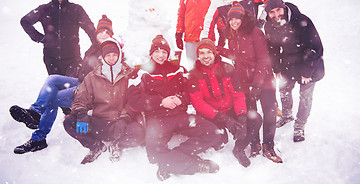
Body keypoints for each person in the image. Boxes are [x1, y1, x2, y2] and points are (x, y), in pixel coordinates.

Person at [10, 15, 115, 154]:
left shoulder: (112, 51)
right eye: (101, 31)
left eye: (107, 32)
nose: (103, 35)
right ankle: (35, 112)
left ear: (111, 35)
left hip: (90, 91)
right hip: (81, 81)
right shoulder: (94, 47)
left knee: (51, 100)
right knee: (52, 79)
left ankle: (39, 138)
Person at [127, 35, 221, 181]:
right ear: (151, 53)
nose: (161, 55)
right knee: (153, 155)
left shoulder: (178, 70)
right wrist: (160, 102)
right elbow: (133, 101)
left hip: (180, 116)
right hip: (158, 120)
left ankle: (173, 159)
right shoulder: (141, 73)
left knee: (213, 133)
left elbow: (191, 91)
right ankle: (195, 165)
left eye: (164, 52)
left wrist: (180, 98)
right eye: (157, 51)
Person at [217, 4, 282, 163]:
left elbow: (263, 59)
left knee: (269, 112)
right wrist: (217, 49)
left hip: (264, 79)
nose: (233, 22)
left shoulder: (256, 33)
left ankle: (268, 146)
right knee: (252, 114)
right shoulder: (232, 36)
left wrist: (258, 83)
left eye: (236, 18)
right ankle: (255, 144)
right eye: (230, 19)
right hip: (244, 82)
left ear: (243, 18)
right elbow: (235, 56)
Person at [63, 37, 145, 164]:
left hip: (121, 124)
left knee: (139, 132)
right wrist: (81, 113)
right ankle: (96, 146)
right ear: (102, 56)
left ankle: (117, 144)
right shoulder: (92, 77)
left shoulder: (128, 75)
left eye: (114, 55)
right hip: (99, 124)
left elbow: (133, 101)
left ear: (119, 55)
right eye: (108, 55)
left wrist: (125, 117)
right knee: (69, 122)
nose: (111, 58)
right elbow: (81, 98)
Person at [187, 38, 262, 167]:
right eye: (202, 53)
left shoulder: (227, 69)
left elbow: (238, 95)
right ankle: (221, 135)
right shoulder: (194, 75)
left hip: (229, 109)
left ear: (215, 53)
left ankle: (239, 148)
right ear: (198, 56)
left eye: (209, 52)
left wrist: (242, 117)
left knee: (255, 119)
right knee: (220, 140)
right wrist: (223, 119)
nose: (206, 56)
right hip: (211, 114)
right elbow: (198, 103)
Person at [263, 0, 324, 142]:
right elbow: (273, 48)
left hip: (309, 63)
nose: (276, 15)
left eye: (278, 10)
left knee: (305, 97)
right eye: (272, 12)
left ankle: (299, 127)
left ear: (283, 6)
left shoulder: (302, 21)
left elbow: (315, 47)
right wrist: (276, 67)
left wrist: (307, 72)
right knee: (284, 90)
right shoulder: (269, 25)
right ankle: (286, 115)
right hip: (289, 62)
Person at [20, 0, 97, 77]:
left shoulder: (76, 9)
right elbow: (25, 21)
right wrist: (40, 38)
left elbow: (90, 28)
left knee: (73, 88)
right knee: (57, 87)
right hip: (51, 59)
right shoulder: (44, 9)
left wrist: (99, 44)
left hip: (73, 59)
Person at [175, 0, 219, 67]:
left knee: (209, 66)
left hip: (207, 37)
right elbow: (181, 16)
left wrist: (222, 31)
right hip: (190, 38)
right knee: (192, 67)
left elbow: (219, 15)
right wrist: (178, 34)